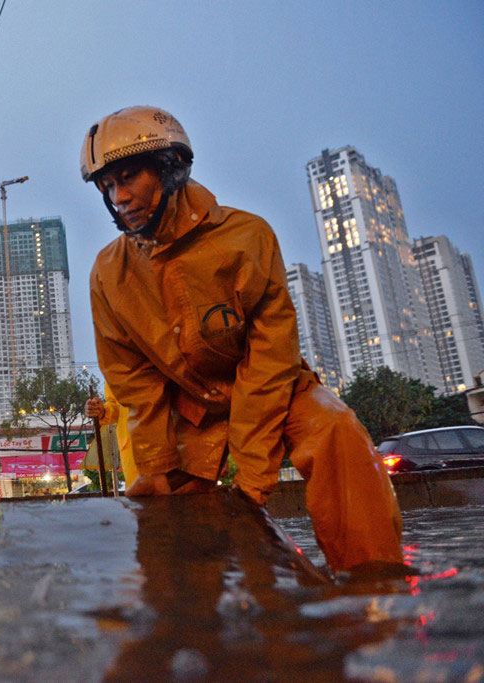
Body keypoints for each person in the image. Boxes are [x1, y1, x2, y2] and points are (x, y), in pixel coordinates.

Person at [81, 106, 403, 572]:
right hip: (190, 407)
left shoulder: (248, 236)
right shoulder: (108, 273)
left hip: (278, 388)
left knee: (337, 432)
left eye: (129, 178)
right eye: (108, 187)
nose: (120, 198)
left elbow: (271, 356)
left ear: (169, 170)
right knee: (165, 519)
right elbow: (135, 380)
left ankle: (376, 586)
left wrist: (252, 474)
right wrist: (156, 467)